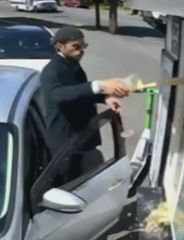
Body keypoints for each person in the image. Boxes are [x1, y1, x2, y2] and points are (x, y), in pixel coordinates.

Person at [40, 26, 129, 176]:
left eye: (83, 46)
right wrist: (99, 85)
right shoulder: (52, 71)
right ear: (60, 46)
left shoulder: (71, 64)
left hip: (82, 138)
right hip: (66, 144)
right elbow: (58, 95)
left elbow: (79, 92)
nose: (81, 50)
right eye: (76, 46)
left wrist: (104, 98)